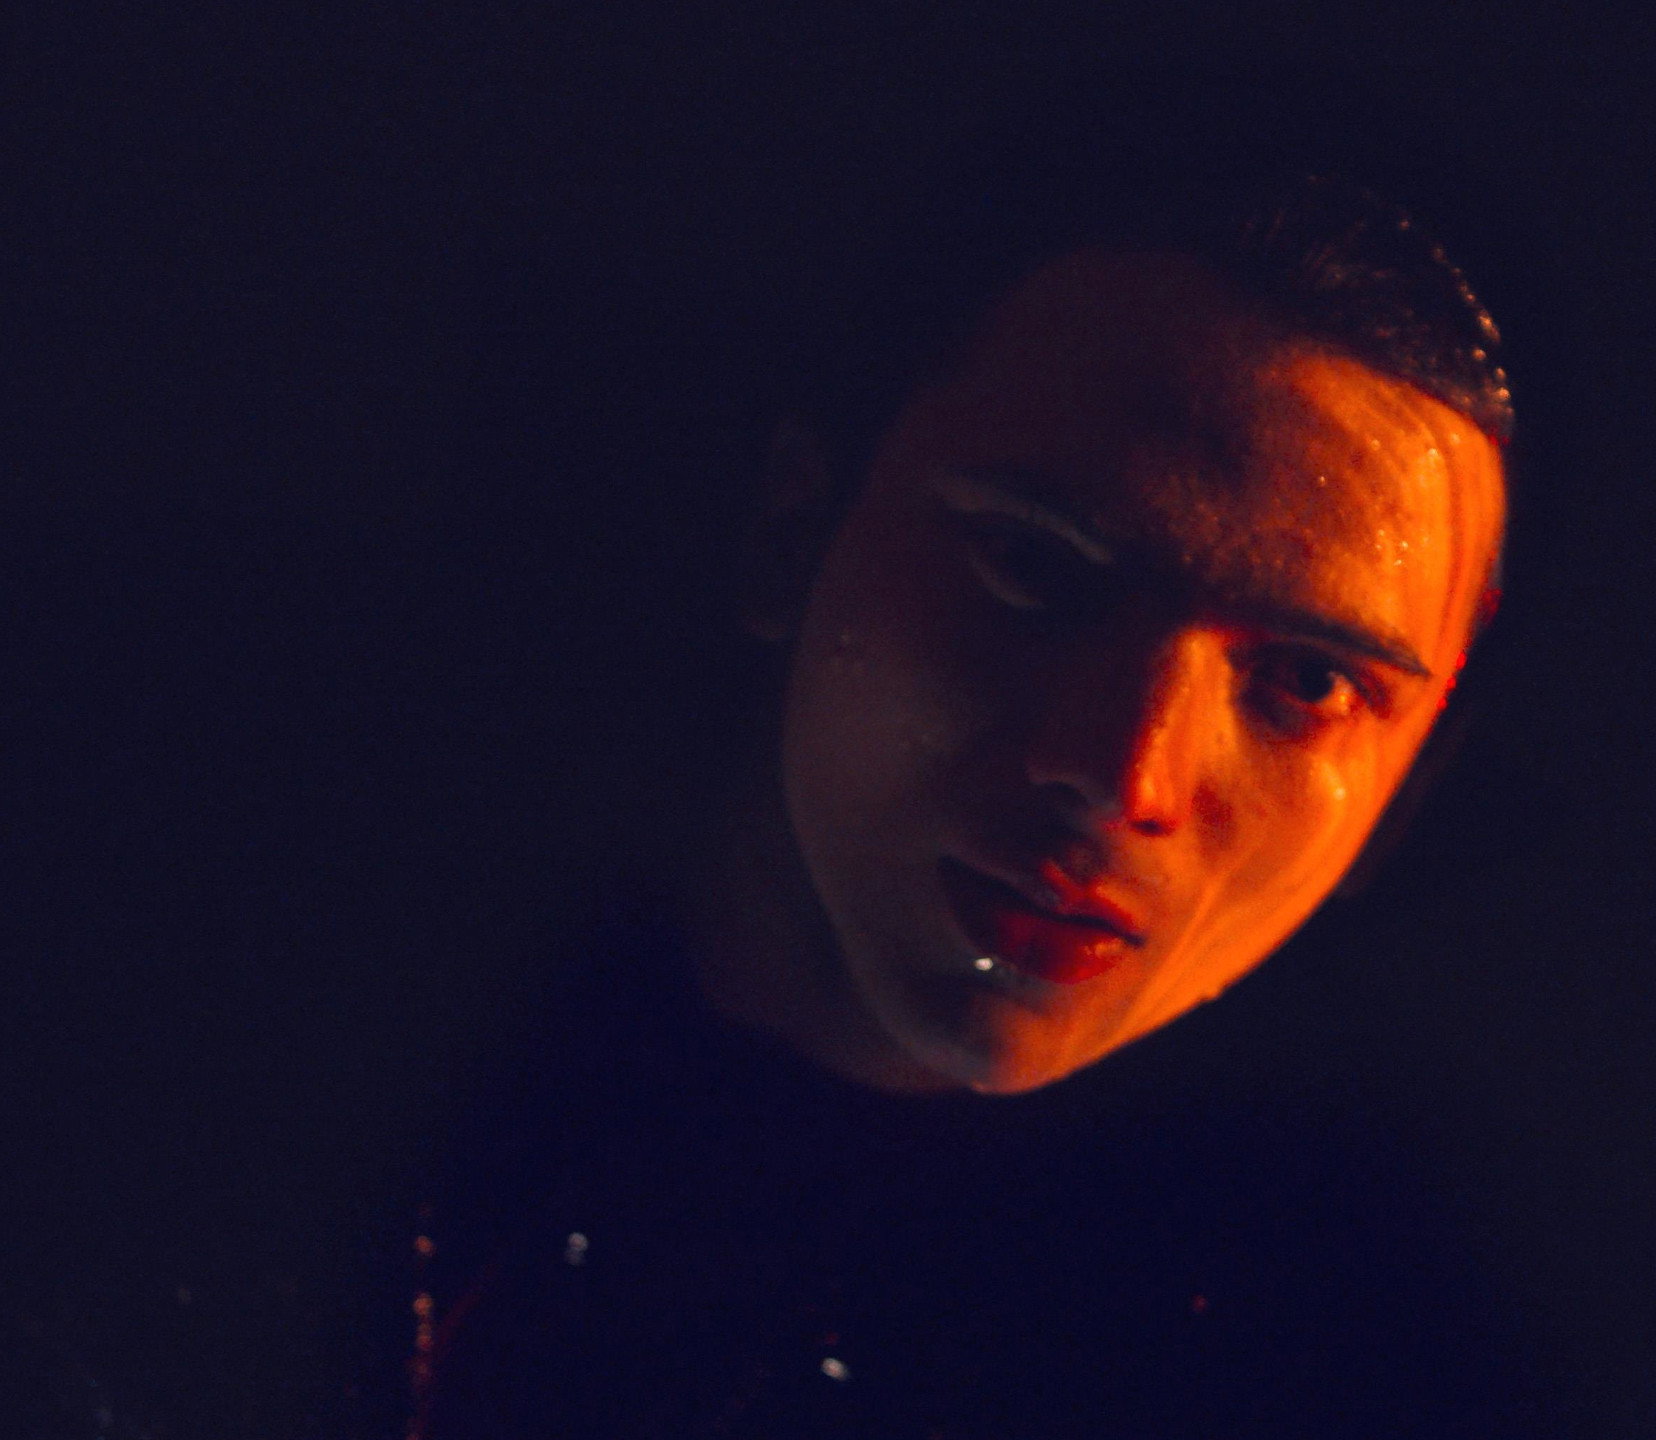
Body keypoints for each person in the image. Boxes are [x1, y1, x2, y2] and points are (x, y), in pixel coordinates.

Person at [403, 84, 1551, 1438]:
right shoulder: (325, 1052)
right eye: (1033, 568)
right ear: (792, 534)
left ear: (1408, 784)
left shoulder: (1357, 1353)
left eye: (1307, 684)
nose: (1124, 773)